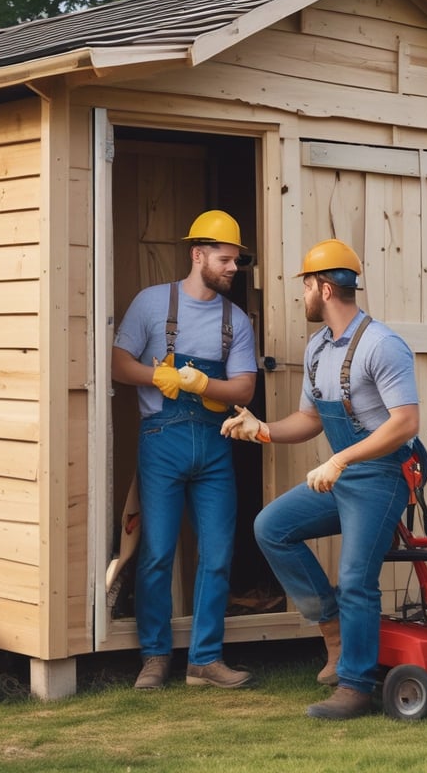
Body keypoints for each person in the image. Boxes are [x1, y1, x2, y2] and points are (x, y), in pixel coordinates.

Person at [221, 239, 420, 719]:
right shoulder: (317, 349)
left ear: (325, 288)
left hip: (385, 473)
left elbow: (404, 423)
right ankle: (331, 630)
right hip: (348, 474)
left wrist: (338, 462)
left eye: (306, 285)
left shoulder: (381, 344)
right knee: (272, 527)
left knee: (355, 578)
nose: (303, 295)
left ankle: (356, 687)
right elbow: (309, 419)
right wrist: (263, 430)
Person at [112, 209, 258, 690]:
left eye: (236, 260)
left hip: (216, 447)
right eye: (225, 259)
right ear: (198, 255)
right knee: (156, 553)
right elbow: (117, 363)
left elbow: (244, 389)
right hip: (162, 441)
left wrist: (202, 382)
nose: (234, 268)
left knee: (217, 555)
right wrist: (158, 375)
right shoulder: (153, 304)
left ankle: (205, 660)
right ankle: (154, 657)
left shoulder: (235, 320)